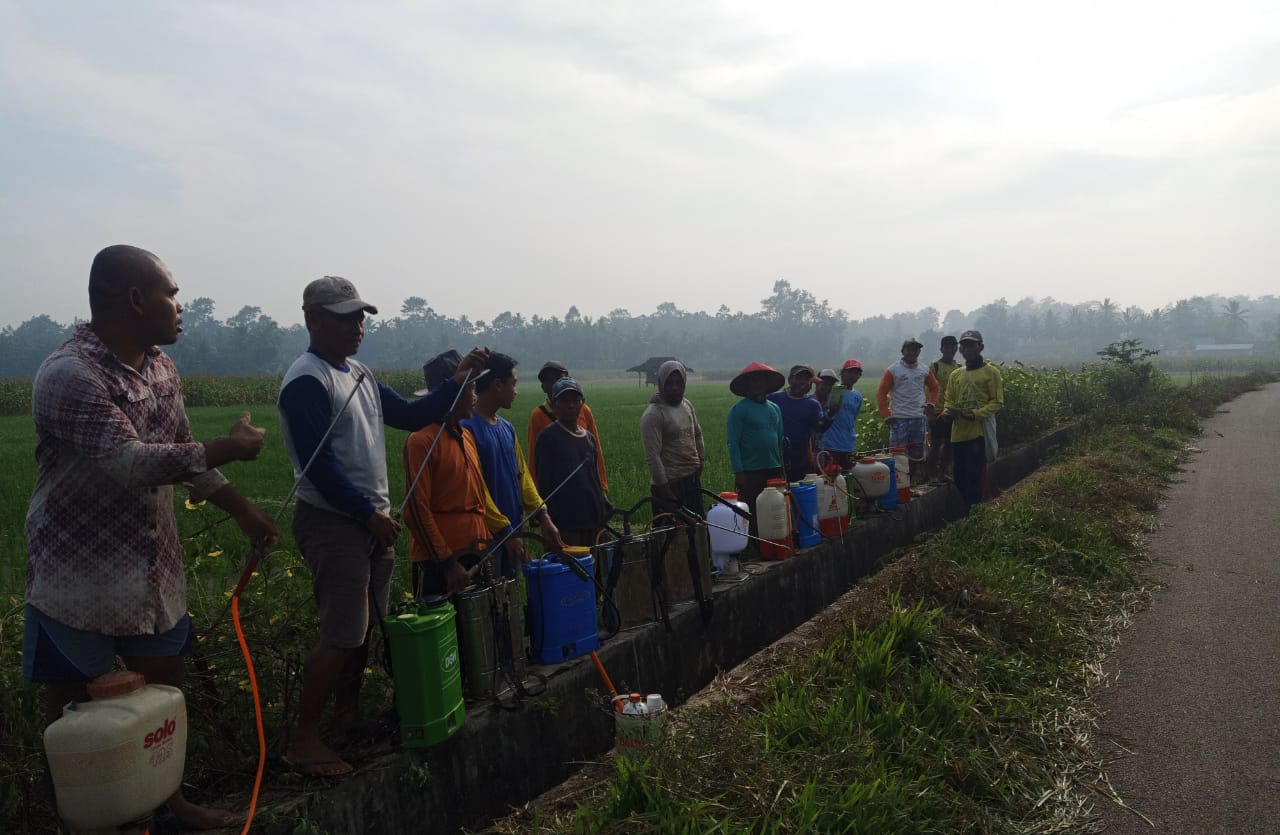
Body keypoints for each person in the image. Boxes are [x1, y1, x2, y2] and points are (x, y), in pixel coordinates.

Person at [23, 244, 280, 830]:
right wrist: (230, 449)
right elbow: (133, 463)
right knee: (71, 721)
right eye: (170, 292)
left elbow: (179, 450)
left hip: (152, 572)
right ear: (136, 300)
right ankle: (78, 817)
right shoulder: (70, 375)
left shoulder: (161, 367)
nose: (179, 305)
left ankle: (169, 803)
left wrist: (242, 508)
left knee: (163, 703)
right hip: (75, 580)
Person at [278, 276, 488, 777]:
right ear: (313, 319)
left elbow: (414, 413)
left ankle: (347, 719)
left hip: (370, 523)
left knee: (363, 630)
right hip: (337, 522)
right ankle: (303, 739)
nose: (358, 327)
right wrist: (366, 514)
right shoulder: (307, 380)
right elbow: (318, 467)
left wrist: (458, 380)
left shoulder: (360, 374)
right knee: (342, 633)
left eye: (361, 317)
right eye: (347, 317)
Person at [402, 350, 507, 599]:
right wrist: (447, 563)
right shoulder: (421, 440)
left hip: (474, 553)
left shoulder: (466, 435)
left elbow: (477, 498)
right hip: (440, 561)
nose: (474, 396)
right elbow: (415, 510)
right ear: (453, 393)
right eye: (470, 389)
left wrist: (485, 545)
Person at [463, 353, 565, 572]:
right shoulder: (467, 429)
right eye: (514, 384)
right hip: (488, 539)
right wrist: (504, 531)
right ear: (498, 385)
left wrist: (543, 515)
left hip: (513, 532)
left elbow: (523, 477)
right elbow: (477, 491)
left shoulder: (507, 428)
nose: (516, 391)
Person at [533, 378, 610, 547]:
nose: (571, 405)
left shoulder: (589, 438)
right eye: (564, 400)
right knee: (569, 570)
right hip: (565, 525)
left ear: (583, 403)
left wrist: (602, 513)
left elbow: (594, 480)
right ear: (553, 405)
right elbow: (544, 484)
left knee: (595, 570)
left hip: (592, 522)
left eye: (576, 400)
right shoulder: (548, 438)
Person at [941, 330, 1004, 512]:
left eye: (971, 344)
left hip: (979, 433)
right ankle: (972, 510)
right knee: (959, 477)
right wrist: (947, 412)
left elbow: (997, 401)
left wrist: (976, 414)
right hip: (958, 434)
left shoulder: (991, 372)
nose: (967, 348)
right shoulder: (956, 375)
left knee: (975, 476)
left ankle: (974, 513)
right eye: (964, 345)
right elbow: (949, 399)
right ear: (960, 349)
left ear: (980, 347)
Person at [526, 360, 608, 495]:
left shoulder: (584, 410)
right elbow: (534, 459)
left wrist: (602, 486)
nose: (555, 384)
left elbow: (596, 450)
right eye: (549, 381)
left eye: (558, 379)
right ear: (543, 387)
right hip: (557, 491)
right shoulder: (538, 416)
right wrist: (536, 499)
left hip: (585, 487)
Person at [639, 360, 706, 518]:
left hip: (691, 480)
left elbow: (697, 434)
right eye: (669, 383)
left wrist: (700, 462)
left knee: (697, 530)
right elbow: (653, 457)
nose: (674, 387)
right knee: (672, 536)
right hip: (669, 485)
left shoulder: (687, 405)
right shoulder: (653, 415)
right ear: (661, 384)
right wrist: (665, 491)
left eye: (679, 382)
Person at [726, 362, 785, 539]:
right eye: (754, 381)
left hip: (773, 467)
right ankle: (754, 544)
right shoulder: (738, 410)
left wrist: (781, 466)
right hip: (751, 471)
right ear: (748, 385)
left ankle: (776, 539)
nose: (758, 385)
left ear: (767, 384)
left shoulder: (775, 409)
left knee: (775, 509)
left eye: (762, 381)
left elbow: (779, 439)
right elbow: (733, 443)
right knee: (752, 509)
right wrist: (739, 472)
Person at [876, 337, 941, 487]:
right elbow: (881, 392)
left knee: (917, 455)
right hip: (899, 419)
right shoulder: (893, 370)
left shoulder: (924, 369)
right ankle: (897, 487)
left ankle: (910, 484)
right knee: (898, 456)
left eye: (916, 349)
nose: (912, 352)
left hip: (919, 418)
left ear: (919, 351)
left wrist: (931, 403)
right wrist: (886, 415)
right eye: (909, 349)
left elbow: (935, 387)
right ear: (903, 351)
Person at [767, 365, 828, 483]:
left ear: (811, 384)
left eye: (806, 379)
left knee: (802, 493)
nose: (802, 382)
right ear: (790, 380)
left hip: (802, 457)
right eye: (798, 378)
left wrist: (830, 415)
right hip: (776, 457)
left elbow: (820, 428)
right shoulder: (774, 399)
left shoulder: (813, 405)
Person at [926, 336, 961, 483]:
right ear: (942, 349)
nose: (950, 350)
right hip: (937, 412)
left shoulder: (958, 368)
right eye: (947, 347)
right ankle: (931, 475)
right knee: (935, 444)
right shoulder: (935, 366)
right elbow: (928, 388)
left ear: (956, 349)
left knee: (950, 444)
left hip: (952, 412)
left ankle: (942, 473)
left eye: (953, 347)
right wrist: (929, 411)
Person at [820, 359, 865, 471]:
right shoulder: (832, 391)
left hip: (848, 443)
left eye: (856, 373)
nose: (852, 376)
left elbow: (852, 419)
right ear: (842, 372)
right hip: (829, 443)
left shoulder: (857, 396)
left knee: (847, 477)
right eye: (850, 372)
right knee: (829, 476)